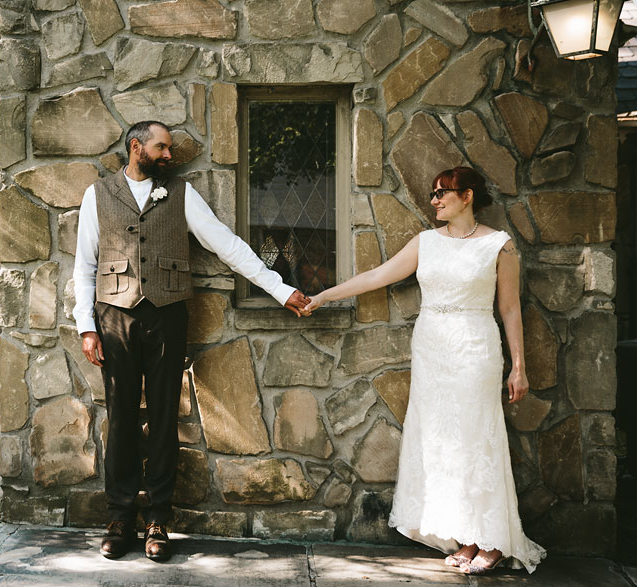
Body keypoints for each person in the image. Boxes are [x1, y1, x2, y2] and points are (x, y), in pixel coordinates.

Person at [73, 120, 310, 562]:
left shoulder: (181, 194)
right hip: (114, 315)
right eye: (161, 148)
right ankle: (120, 515)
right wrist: (86, 326)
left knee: (164, 416)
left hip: (167, 316)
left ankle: (159, 518)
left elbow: (227, 244)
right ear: (135, 146)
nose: (169, 156)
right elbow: (84, 264)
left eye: (170, 150)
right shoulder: (97, 194)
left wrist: (279, 289)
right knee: (121, 418)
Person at [303, 166, 545, 575]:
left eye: (442, 193)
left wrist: (518, 367)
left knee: (476, 440)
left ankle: (490, 539)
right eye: (433, 193)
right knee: (441, 443)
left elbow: (509, 309)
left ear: (467, 196)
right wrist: (325, 295)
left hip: (474, 349)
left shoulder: (500, 247)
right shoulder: (425, 242)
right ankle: (462, 535)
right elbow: (378, 276)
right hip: (432, 351)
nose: (434, 200)